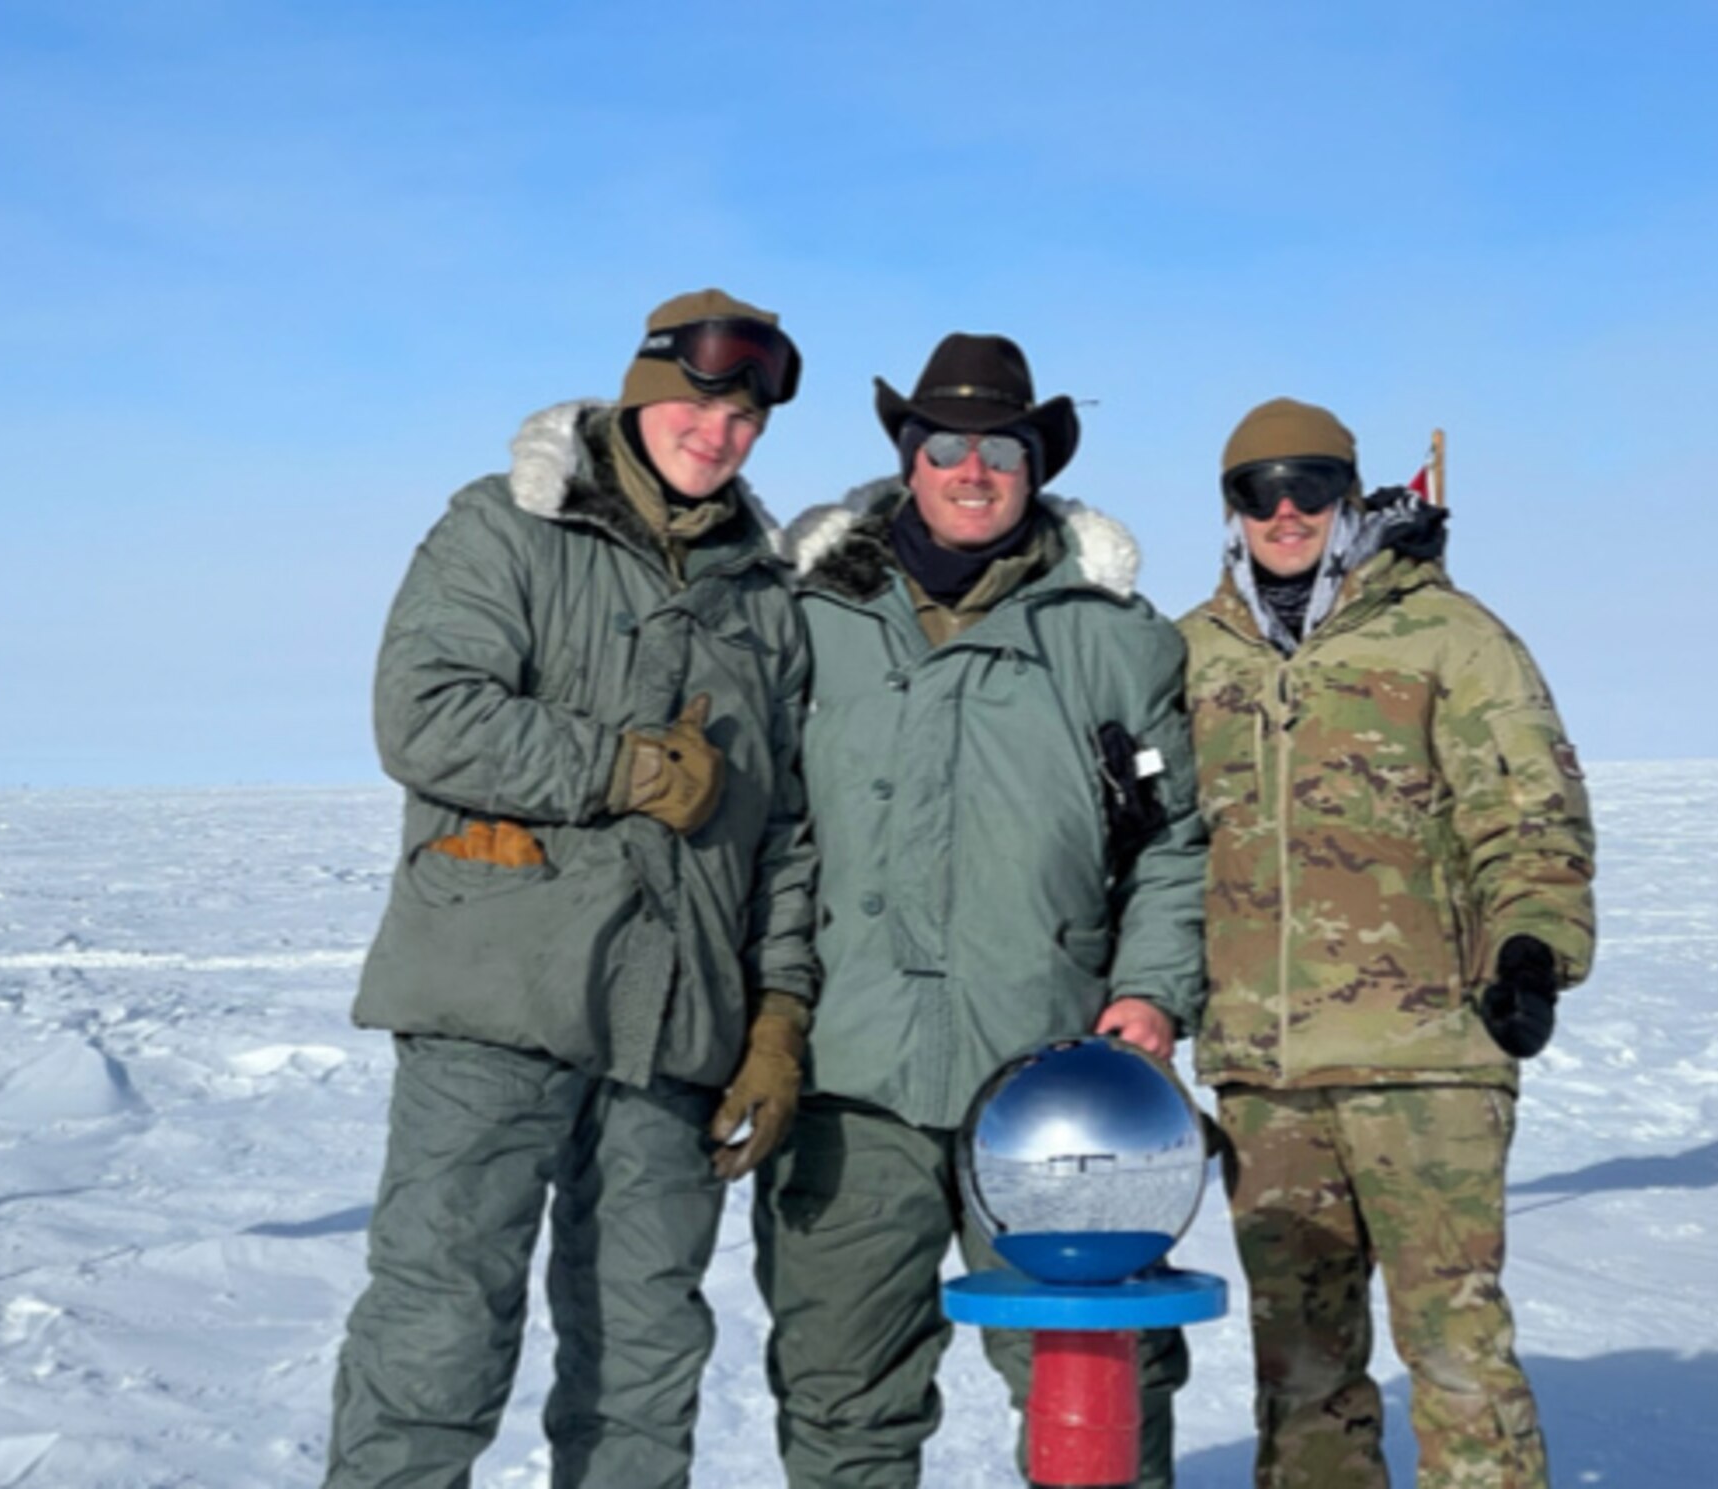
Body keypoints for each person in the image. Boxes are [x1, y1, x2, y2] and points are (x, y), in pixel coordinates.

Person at [326, 289, 818, 1489]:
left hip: (674, 1026)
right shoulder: (505, 527)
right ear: (646, 392)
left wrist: (778, 1015)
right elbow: (425, 714)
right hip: (496, 999)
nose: (721, 433)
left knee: (643, 1360)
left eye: (746, 420)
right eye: (701, 403)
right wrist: (626, 767)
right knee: (440, 1332)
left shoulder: (765, 596)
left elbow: (788, 829)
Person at [756, 333, 1208, 1487]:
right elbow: (760, 833)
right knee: (841, 1389)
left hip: (1054, 1087)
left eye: (998, 448)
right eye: (944, 444)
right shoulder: (806, 619)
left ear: (1034, 464)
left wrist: (1151, 994)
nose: (971, 470)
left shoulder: (1110, 638)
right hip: (847, 1078)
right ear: (908, 456)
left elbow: (1170, 846)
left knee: (1096, 1389)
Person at [1180, 398, 1597, 1489]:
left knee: (1455, 1351)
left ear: (1347, 493)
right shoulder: (1192, 655)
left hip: (1426, 1057)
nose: (1283, 510)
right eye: (1256, 490)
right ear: (1229, 508)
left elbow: (1525, 809)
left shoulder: (1446, 635)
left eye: (1308, 486)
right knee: (1299, 1367)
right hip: (1263, 1072)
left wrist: (1529, 948)